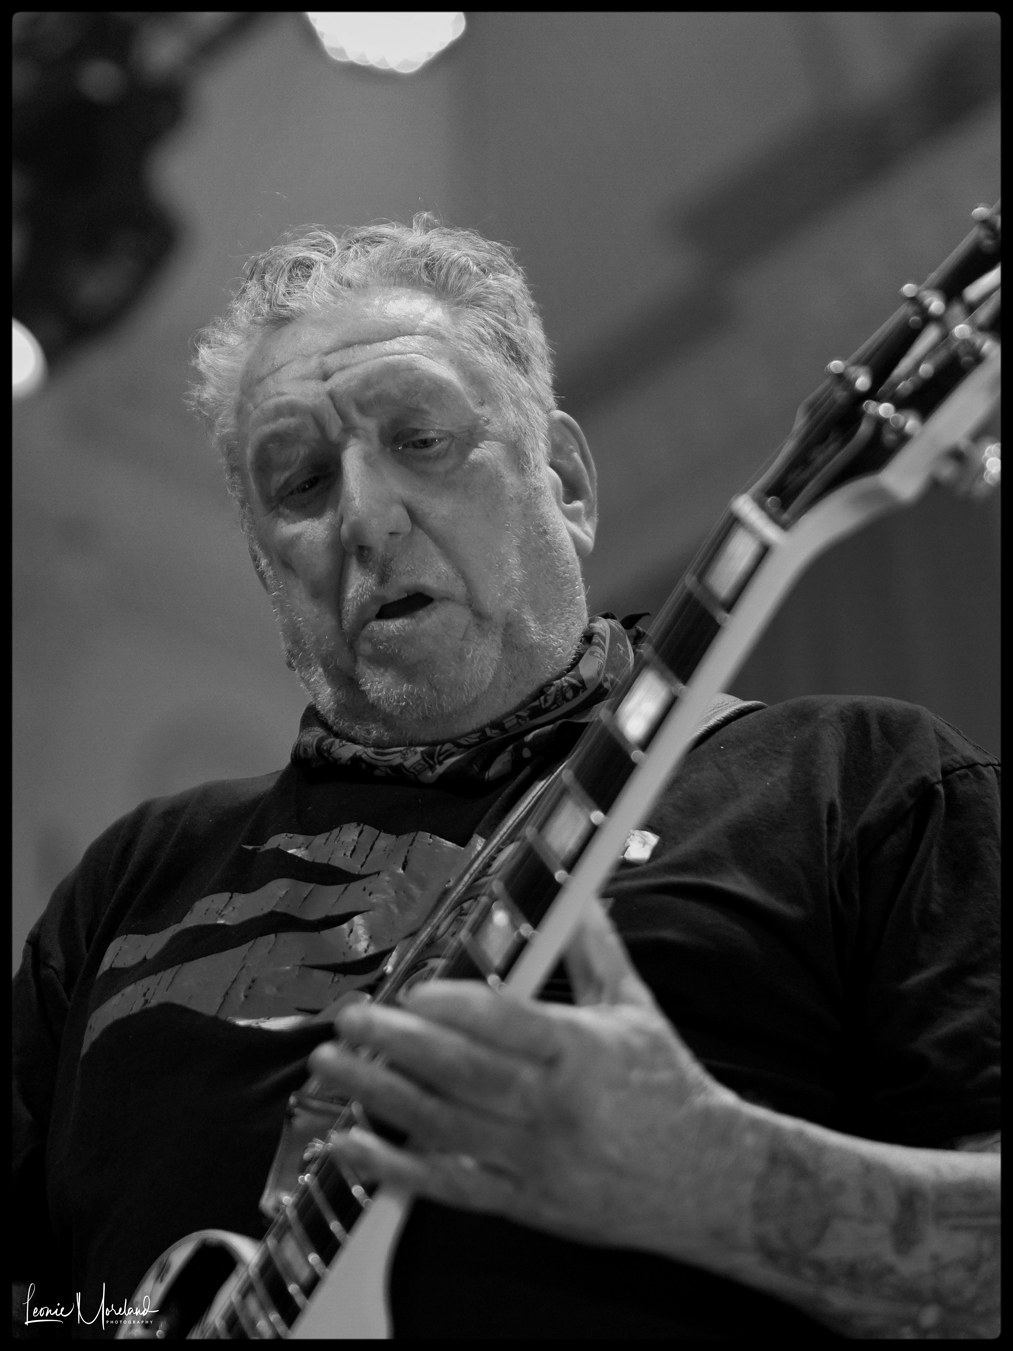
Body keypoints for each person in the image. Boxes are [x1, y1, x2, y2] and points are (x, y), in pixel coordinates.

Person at [13, 216, 999, 1340]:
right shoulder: (133, 885)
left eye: (422, 438)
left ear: (564, 481)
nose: (365, 516)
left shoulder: (854, 785)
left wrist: (723, 1178)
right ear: (266, 570)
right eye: (301, 482)